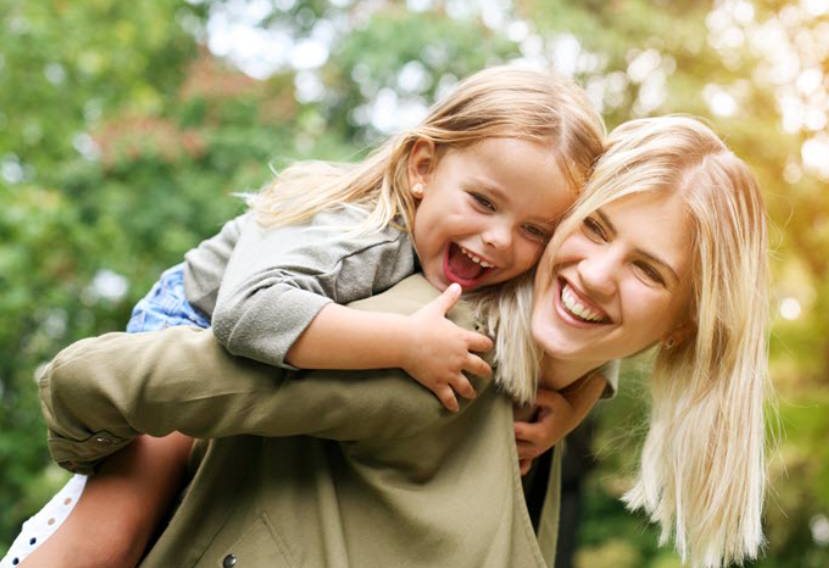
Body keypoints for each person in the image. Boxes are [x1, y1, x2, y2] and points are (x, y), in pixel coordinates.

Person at [26, 115, 771, 568]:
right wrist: (120, 457)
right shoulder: (434, 348)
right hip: (206, 308)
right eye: (597, 229)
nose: (599, 274)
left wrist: (580, 397)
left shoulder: (544, 404)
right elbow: (99, 378)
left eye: (647, 270)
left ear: (682, 326)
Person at [2, 65, 611, 568]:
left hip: (282, 337)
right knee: (116, 532)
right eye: (482, 201)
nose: (500, 239)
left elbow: (595, 341)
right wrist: (404, 344)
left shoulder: (493, 261)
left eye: (535, 230)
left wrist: (571, 408)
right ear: (423, 168)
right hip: (195, 318)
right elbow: (248, 314)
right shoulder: (356, 237)